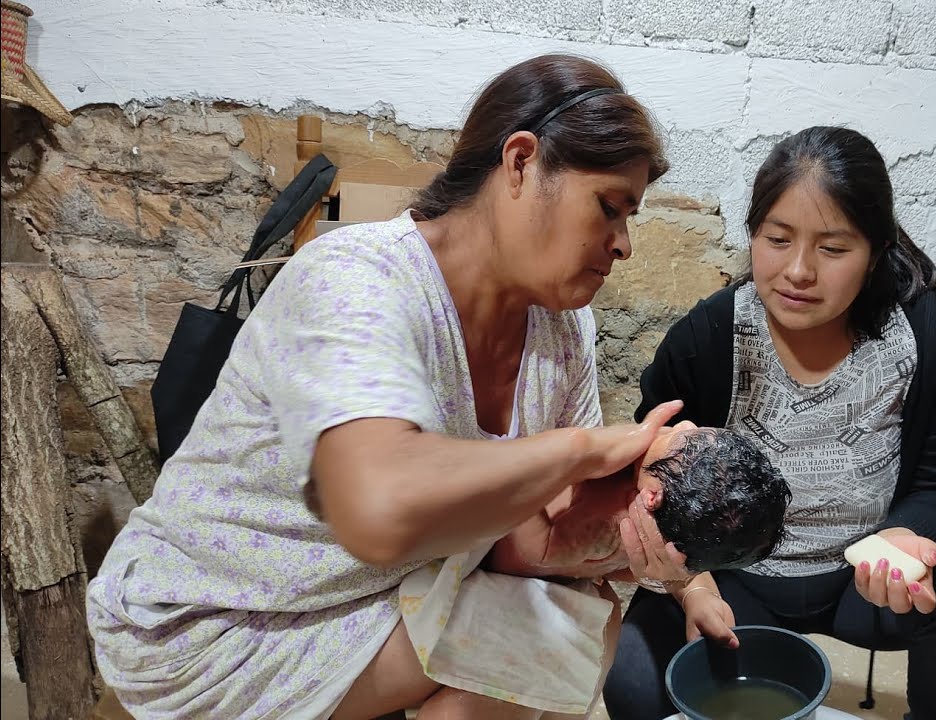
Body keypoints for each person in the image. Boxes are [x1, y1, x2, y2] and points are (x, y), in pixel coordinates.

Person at [85, 54, 692, 720]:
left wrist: (640, 534)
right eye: (608, 208)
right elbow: (381, 508)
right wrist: (579, 451)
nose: (624, 244)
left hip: (371, 593)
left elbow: (526, 543)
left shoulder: (562, 328)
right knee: (546, 642)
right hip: (218, 621)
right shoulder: (355, 278)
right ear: (520, 162)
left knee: (579, 624)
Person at [602, 126, 936, 720]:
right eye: (777, 239)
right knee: (633, 681)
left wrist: (906, 536)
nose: (798, 271)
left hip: (864, 581)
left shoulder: (927, 335)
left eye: (833, 249)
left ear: (875, 250)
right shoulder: (709, 336)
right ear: (753, 234)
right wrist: (690, 586)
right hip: (732, 582)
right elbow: (649, 481)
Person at [487, 422, 791, 581]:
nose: (684, 425)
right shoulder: (662, 529)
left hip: (498, 555)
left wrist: (519, 463)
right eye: (696, 430)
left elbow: (537, 550)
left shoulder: (608, 521)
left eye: (684, 440)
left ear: (651, 496)